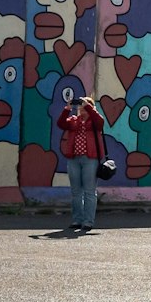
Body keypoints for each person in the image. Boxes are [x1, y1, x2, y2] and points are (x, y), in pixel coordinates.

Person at [57, 93, 105, 234]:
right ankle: (77, 219)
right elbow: (60, 123)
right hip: (74, 159)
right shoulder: (74, 120)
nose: (82, 110)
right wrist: (67, 108)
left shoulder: (95, 122)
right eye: (80, 108)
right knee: (76, 191)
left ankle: (88, 221)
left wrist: (88, 107)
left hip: (90, 159)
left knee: (89, 191)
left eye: (84, 108)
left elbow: (100, 122)